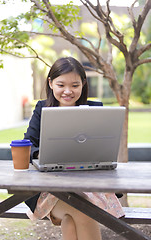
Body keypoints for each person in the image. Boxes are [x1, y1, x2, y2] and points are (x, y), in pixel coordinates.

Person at [24, 57, 124, 240]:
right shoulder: (41, 109)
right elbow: (28, 146)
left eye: (75, 85)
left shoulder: (95, 109)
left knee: (70, 222)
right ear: (51, 83)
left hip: (90, 189)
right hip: (51, 191)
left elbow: (104, 144)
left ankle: (65, 222)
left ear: (83, 84)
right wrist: (43, 154)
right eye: (61, 85)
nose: (68, 91)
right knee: (84, 212)